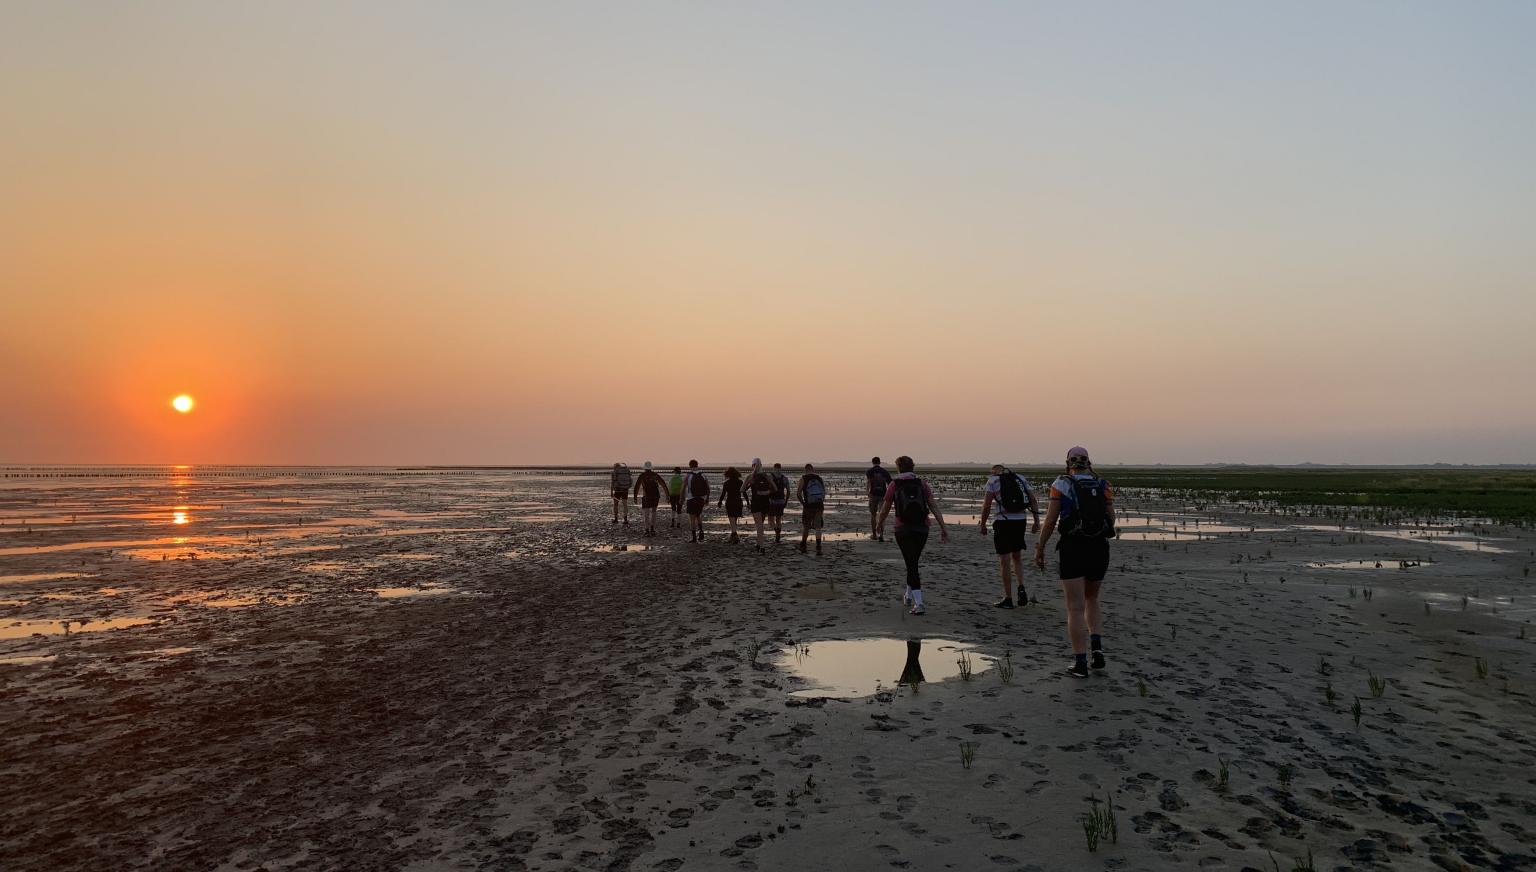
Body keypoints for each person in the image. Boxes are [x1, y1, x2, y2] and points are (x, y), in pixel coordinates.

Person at [1034, 447, 1115, 679]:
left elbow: (1050, 521)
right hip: (1099, 547)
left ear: (1068, 463)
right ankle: (1097, 650)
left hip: (1073, 547)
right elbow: (1111, 518)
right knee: (1092, 599)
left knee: (1075, 607)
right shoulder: (1103, 484)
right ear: (1089, 462)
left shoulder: (1061, 484)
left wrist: (1040, 548)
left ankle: (1080, 662)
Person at [875, 456, 949, 615]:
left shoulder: (894, 485)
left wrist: (879, 524)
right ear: (913, 467)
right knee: (912, 561)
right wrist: (943, 527)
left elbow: (886, 508)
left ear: (898, 468)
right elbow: (933, 506)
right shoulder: (922, 484)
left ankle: (919, 603)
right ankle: (908, 595)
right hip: (922, 528)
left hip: (902, 529)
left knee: (912, 563)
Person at [978, 464, 1041, 608]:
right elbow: (1033, 499)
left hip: (1002, 522)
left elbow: (987, 505)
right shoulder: (1020, 478)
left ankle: (1008, 598)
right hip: (1020, 521)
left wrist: (983, 524)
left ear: (994, 471)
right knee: (1017, 556)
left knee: (1004, 560)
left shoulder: (993, 481)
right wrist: (1036, 521)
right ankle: (1021, 586)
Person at [745, 459, 776, 554]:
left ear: (752, 466)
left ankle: (761, 546)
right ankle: (758, 544)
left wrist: (749, 486)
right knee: (760, 524)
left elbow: (742, 489)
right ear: (761, 465)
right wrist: (768, 492)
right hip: (765, 502)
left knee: (759, 525)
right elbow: (775, 488)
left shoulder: (750, 476)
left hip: (755, 502)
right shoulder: (767, 476)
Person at [796, 463, 827, 555]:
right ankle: (818, 546)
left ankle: (803, 544)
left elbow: (798, 493)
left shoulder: (803, 478)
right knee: (818, 527)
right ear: (813, 469)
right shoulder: (819, 478)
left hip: (808, 506)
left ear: (805, 470)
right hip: (819, 505)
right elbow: (823, 493)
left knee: (806, 526)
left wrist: (803, 503)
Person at [632, 461, 669, 536]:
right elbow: (663, 484)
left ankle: (647, 530)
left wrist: (635, 497)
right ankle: (652, 529)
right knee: (654, 512)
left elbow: (637, 487)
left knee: (646, 513)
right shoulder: (655, 475)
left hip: (646, 496)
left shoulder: (642, 475)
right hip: (655, 496)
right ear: (651, 468)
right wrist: (667, 495)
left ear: (645, 468)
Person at [682, 460, 710, 542]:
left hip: (691, 498)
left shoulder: (688, 475)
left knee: (692, 519)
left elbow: (683, 488)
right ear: (697, 465)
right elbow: (708, 488)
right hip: (701, 498)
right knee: (698, 515)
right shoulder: (703, 475)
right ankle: (701, 531)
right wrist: (707, 498)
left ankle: (694, 538)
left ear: (690, 466)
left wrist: (681, 498)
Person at [866, 457, 893, 541]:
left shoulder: (869, 471)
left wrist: (868, 492)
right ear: (880, 462)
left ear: (872, 462)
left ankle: (874, 535)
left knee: (873, 515)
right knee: (882, 515)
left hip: (873, 495)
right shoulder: (884, 472)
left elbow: (868, 482)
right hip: (883, 495)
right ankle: (881, 534)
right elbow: (890, 484)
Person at [718, 466, 746, 544]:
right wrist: (747, 501)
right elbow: (744, 492)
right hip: (738, 502)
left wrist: (720, 501)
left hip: (730, 502)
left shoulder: (726, 483)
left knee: (731, 518)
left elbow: (723, 494)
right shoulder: (740, 482)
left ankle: (734, 535)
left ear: (728, 474)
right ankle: (733, 535)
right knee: (735, 519)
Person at [767, 463, 791, 544]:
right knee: (778, 519)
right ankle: (778, 533)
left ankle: (776, 531)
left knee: (770, 519)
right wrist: (786, 501)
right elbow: (788, 491)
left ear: (774, 468)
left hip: (771, 501)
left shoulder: (770, 477)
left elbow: (766, 488)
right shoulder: (784, 478)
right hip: (781, 501)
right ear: (780, 468)